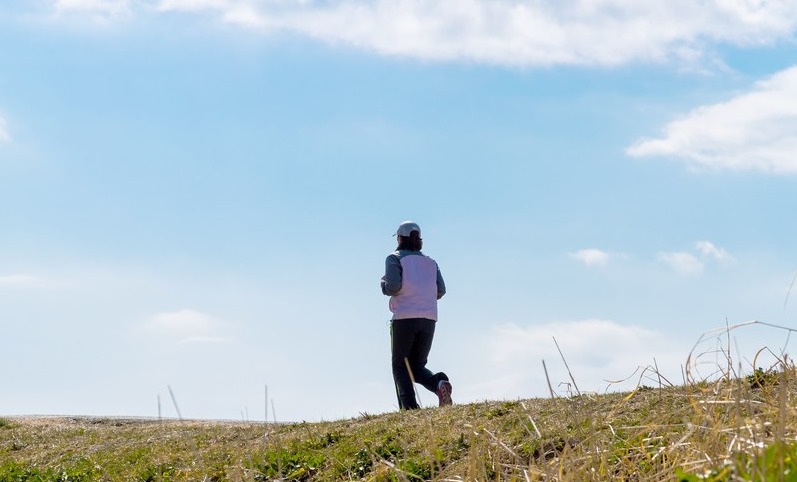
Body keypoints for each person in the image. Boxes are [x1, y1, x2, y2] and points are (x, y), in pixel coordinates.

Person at [380, 220, 452, 409]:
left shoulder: (394, 258)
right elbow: (441, 290)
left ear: (400, 238)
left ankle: (409, 408)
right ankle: (439, 384)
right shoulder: (431, 262)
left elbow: (393, 286)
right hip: (428, 319)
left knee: (400, 366)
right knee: (416, 366)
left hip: (404, 318)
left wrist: (383, 285)